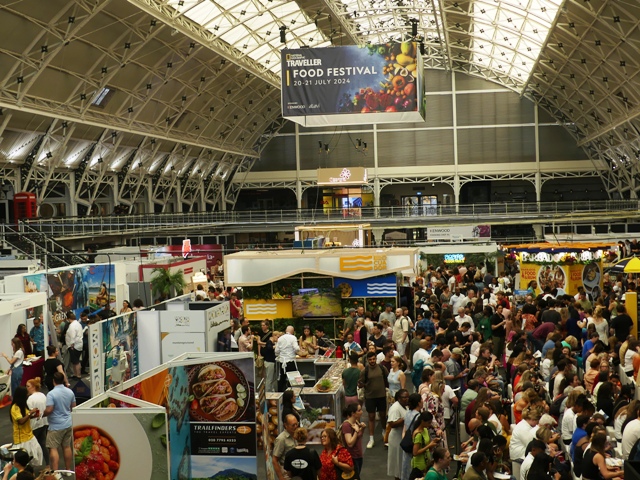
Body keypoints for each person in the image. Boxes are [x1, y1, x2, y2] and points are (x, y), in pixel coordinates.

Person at [42, 372, 76, 471]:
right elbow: (73, 407)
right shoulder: (70, 392)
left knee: (53, 448)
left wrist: (41, 414)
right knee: (67, 447)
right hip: (68, 423)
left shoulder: (51, 394)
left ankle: (55, 472)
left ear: (53, 381)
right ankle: (68, 470)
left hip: (55, 426)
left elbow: (49, 409)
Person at [359, 351, 388, 449]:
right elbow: (360, 383)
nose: (372, 361)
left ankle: (384, 431)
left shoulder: (382, 368)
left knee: (383, 415)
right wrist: (361, 384)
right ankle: (371, 438)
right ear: (367, 360)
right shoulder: (365, 371)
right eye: (370, 359)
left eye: (373, 359)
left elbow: (387, 378)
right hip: (370, 397)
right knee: (371, 417)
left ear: (376, 358)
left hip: (381, 396)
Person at [10, 386, 43, 465]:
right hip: (21, 439)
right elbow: (21, 421)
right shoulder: (15, 408)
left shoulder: (23, 405)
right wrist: (30, 413)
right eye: (26, 394)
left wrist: (34, 416)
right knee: (23, 461)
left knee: (35, 455)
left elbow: (26, 417)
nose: (28, 395)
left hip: (30, 436)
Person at [387, 389, 409, 480]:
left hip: (402, 436)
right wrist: (405, 418)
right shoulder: (395, 408)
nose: (407, 399)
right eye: (404, 397)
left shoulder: (405, 406)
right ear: (399, 398)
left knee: (402, 463)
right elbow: (392, 424)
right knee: (397, 464)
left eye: (408, 397)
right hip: (396, 438)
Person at [26, 377, 48, 466]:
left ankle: (31, 467)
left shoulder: (30, 399)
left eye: (28, 386)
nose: (26, 388)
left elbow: (30, 413)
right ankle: (48, 465)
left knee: (31, 447)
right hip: (44, 422)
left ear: (33, 387)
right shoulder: (43, 395)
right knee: (43, 444)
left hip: (34, 425)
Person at [411, 411, 440, 477]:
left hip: (426, 462)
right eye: (428, 423)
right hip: (419, 465)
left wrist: (433, 442)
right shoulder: (418, 434)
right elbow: (415, 452)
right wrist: (429, 445)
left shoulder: (425, 430)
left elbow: (426, 444)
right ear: (422, 421)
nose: (430, 424)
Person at [340, 403, 366, 475]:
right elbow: (350, 443)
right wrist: (356, 431)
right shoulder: (346, 425)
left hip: (358, 455)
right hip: (352, 457)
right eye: (359, 410)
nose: (361, 412)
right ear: (353, 413)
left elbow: (358, 437)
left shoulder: (356, 422)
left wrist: (362, 429)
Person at [273, 414, 299, 480]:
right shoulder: (281, 439)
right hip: (286, 473)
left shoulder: (297, 435)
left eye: (296, 424)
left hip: (297, 470)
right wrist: (281, 477)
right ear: (285, 425)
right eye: (293, 425)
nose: (296, 426)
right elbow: (274, 460)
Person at [275, 326, 300, 392]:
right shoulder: (293, 338)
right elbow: (296, 348)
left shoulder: (280, 338)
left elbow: (276, 351)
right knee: (293, 379)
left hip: (282, 362)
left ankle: (280, 393)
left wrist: (281, 354)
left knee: (282, 379)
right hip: (290, 361)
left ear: (286, 330)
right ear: (293, 331)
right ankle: (294, 393)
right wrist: (295, 352)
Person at [257, 321, 277, 392]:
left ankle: (267, 387)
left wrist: (264, 344)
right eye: (261, 325)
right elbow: (258, 343)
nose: (262, 326)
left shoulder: (270, 333)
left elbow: (261, 343)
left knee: (269, 374)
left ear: (267, 326)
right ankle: (264, 386)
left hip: (267, 354)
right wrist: (259, 353)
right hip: (263, 354)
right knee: (263, 372)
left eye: (263, 325)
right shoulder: (260, 333)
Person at [65, 313, 83, 380]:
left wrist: (72, 345)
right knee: (75, 361)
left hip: (74, 345)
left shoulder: (72, 326)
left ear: (68, 318)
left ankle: (78, 375)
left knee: (76, 361)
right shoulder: (78, 324)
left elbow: (72, 336)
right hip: (78, 344)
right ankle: (76, 374)